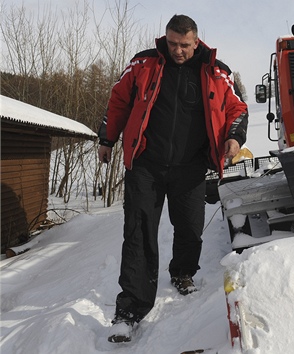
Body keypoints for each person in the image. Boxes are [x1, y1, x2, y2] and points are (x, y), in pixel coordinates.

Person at [97, 14, 248, 343]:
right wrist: (107, 139)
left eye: (184, 45)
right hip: (146, 164)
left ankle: (182, 272)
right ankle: (130, 310)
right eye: (172, 43)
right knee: (138, 233)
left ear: (196, 42)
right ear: (164, 39)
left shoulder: (216, 69)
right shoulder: (143, 63)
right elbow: (119, 99)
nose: (177, 50)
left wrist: (234, 138)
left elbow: (238, 108)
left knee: (191, 227)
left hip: (191, 167)